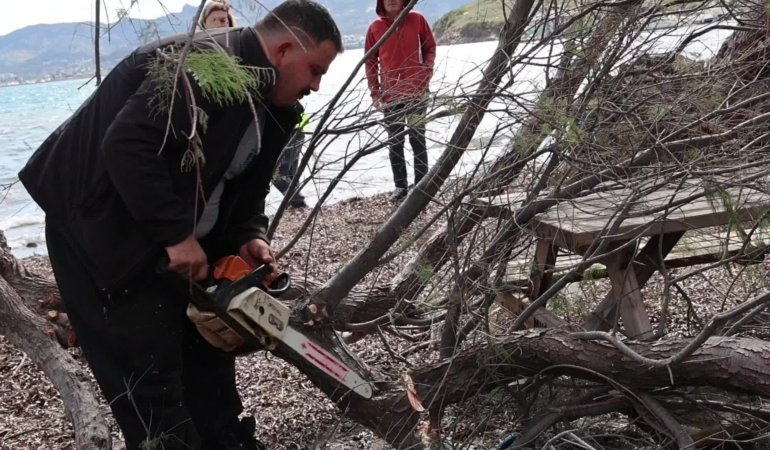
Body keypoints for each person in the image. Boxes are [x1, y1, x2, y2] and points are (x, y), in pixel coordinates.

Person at [18, 1, 341, 449]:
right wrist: (176, 235)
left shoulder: (275, 107)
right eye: (315, 70)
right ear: (284, 50)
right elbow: (127, 146)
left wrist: (250, 236)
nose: (316, 85)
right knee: (151, 387)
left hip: (174, 238)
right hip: (98, 235)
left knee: (208, 365)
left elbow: (248, 187)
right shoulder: (200, 67)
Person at [365, 0, 436, 202]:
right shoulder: (375, 28)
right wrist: (375, 93)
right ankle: (400, 186)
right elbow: (370, 62)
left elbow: (430, 48)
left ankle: (422, 185)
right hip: (390, 97)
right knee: (395, 143)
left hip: (417, 94)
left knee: (417, 139)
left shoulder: (418, 20)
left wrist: (425, 74)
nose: (392, 0)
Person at [272, 112, 310, 209]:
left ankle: (298, 203)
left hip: (290, 131)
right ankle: (294, 204)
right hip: (298, 130)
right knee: (290, 174)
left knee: (277, 175)